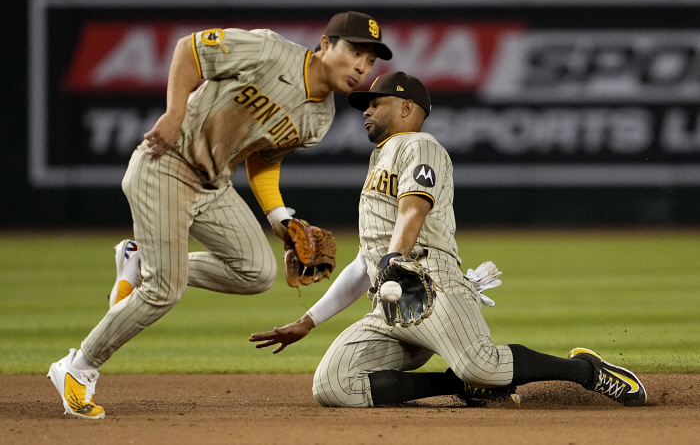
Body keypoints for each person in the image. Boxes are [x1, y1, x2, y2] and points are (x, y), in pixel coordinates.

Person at [47, 11, 393, 419]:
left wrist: (280, 217)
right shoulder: (269, 50)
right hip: (166, 163)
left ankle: (141, 261)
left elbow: (264, 158)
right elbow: (189, 50)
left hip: (213, 186)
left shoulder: (320, 118)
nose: (361, 67)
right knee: (165, 290)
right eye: (354, 51)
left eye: (370, 61)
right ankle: (79, 366)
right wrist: (175, 113)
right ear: (324, 44)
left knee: (256, 271)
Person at [249, 72, 647, 408]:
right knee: (333, 385)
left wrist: (391, 260)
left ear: (406, 108)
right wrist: (307, 321)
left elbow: (413, 210)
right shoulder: (379, 158)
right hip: (389, 300)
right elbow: (363, 262)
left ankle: (587, 370)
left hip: (430, 284)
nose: (366, 110)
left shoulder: (421, 145)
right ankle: (460, 387)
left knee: (483, 365)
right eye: (364, 105)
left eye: (376, 102)